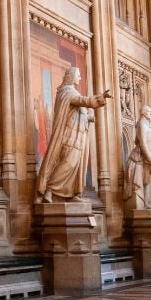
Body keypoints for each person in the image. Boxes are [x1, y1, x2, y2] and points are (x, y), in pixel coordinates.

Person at [36, 66, 112, 203]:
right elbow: (84, 101)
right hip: (70, 135)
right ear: (71, 76)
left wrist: (88, 118)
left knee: (76, 165)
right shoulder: (67, 92)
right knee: (68, 163)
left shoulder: (73, 92)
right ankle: (49, 190)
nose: (80, 77)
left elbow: (76, 113)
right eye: (78, 75)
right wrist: (101, 98)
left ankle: (72, 194)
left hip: (79, 136)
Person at [124, 105, 151, 211]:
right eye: (149, 112)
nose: (150, 114)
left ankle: (147, 203)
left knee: (148, 180)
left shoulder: (146, 124)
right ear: (143, 113)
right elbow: (142, 143)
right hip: (148, 156)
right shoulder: (142, 124)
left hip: (149, 155)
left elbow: (137, 140)